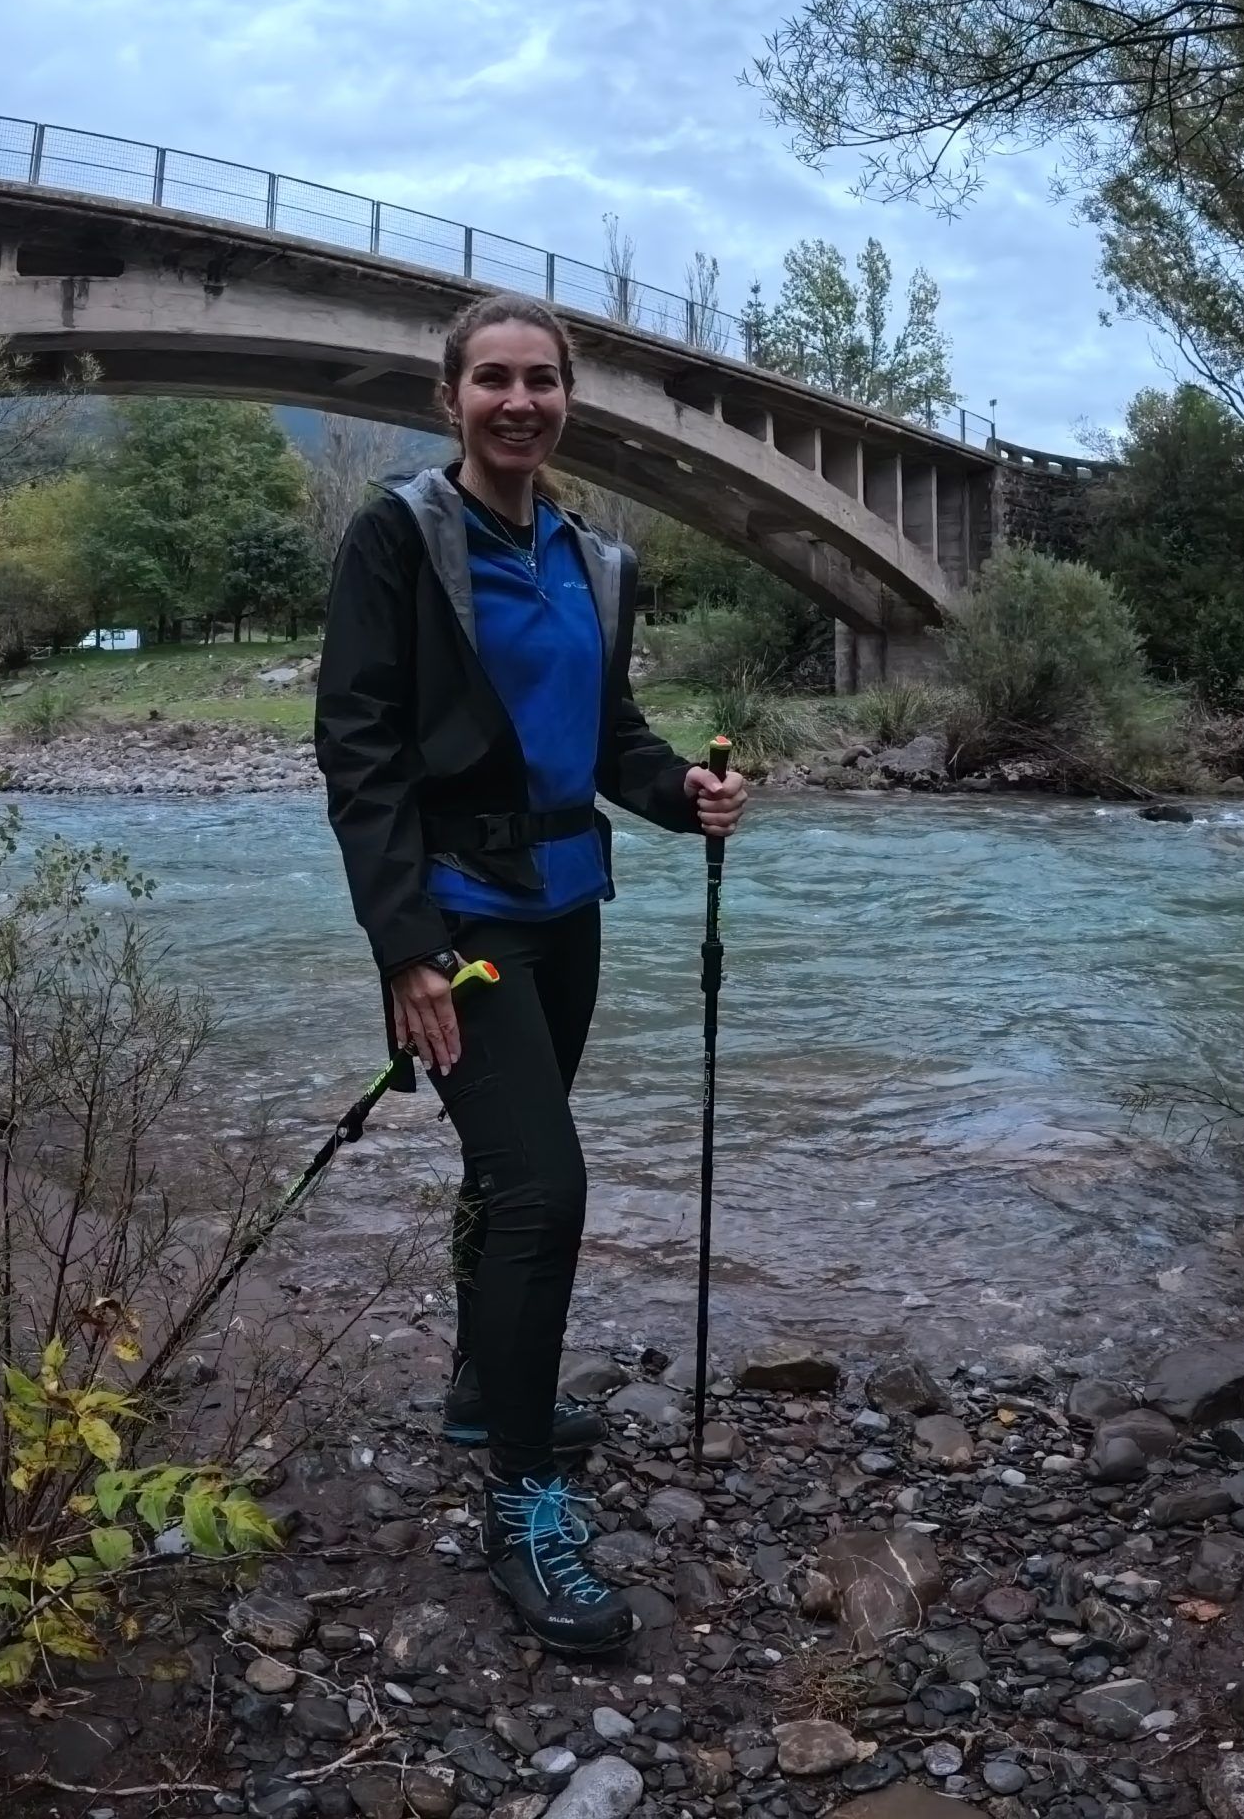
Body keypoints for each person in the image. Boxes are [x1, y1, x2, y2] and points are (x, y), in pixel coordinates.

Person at [314, 293, 747, 1652]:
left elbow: (611, 737)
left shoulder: (595, 560)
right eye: (492, 379)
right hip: (463, 925)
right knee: (544, 1189)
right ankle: (523, 1508)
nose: (518, 402)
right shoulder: (399, 534)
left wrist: (681, 793)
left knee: (504, 1177)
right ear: (449, 397)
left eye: (541, 380)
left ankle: (477, 1389)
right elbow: (360, 750)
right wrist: (406, 949)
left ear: (569, 399)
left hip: (570, 913)